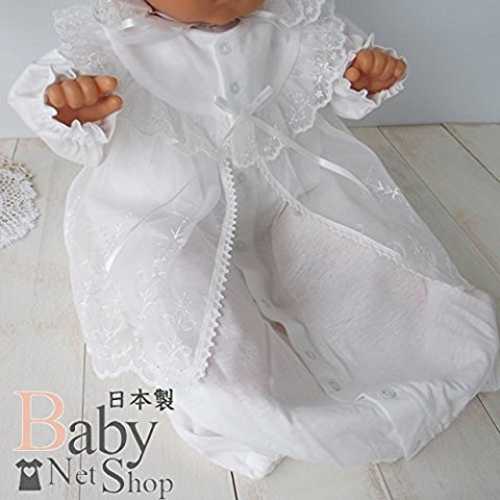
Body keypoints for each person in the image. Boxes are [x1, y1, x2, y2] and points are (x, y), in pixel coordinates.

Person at [9, 0, 500, 479]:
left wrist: (361, 78)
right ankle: (247, 405)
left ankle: (435, 341)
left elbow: (338, 75)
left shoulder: (293, 21)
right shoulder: (108, 40)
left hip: (284, 193)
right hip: (169, 212)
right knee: (178, 299)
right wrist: (67, 105)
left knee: (362, 259)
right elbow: (46, 97)